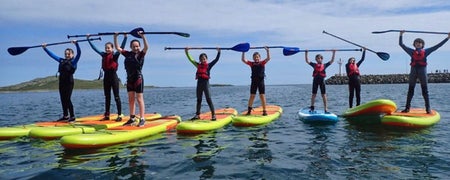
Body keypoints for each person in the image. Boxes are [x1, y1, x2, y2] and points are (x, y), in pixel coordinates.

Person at [399, 30, 450, 114]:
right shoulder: (411, 51)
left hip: (422, 71)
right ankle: (407, 108)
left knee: (425, 91)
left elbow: (438, 46)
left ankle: (428, 109)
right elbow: (401, 45)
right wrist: (401, 35)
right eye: (416, 43)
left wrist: (447, 38)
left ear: (422, 45)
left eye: (420, 43)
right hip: (413, 71)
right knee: (410, 90)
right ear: (414, 44)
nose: (418, 44)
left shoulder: (426, 51)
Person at [87, 34, 127, 121]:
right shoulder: (103, 55)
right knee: (107, 97)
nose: (107, 49)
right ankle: (107, 115)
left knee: (116, 96)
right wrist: (88, 40)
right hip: (106, 78)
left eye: (109, 48)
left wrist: (125, 37)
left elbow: (122, 47)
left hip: (113, 77)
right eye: (106, 48)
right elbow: (94, 49)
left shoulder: (115, 55)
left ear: (112, 49)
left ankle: (119, 115)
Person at [114, 31, 148, 127]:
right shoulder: (127, 54)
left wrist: (143, 36)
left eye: (137, 46)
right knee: (131, 99)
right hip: (129, 79)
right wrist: (115, 37)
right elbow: (117, 48)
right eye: (134, 46)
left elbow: (146, 47)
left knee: (139, 99)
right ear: (131, 47)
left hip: (138, 78)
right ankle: (132, 118)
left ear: (139, 47)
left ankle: (142, 118)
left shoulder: (141, 54)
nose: (136, 48)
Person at [42, 40, 80, 122]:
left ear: (72, 54)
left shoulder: (73, 62)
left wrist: (76, 44)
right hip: (61, 82)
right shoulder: (61, 60)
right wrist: (45, 49)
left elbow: (79, 53)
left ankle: (72, 116)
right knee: (62, 99)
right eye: (66, 54)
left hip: (69, 83)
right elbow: (52, 55)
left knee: (67, 99)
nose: (67, 55)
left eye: (68, 54)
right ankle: (65, 115)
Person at [184, 47, 221, 120]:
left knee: (208, 99)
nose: (202, 60)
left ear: (206, 59)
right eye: (201, 59)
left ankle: (213, 115)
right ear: (200, 60)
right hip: (199, 84)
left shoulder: (209, 65)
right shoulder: (198, 65)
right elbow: (191, 59)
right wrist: (187, 52)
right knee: (199, 100)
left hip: (206, 84)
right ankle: (197, 115)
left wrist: (219, 52)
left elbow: (216, 60)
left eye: (204, 59)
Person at [241, 46, 271, 116]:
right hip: (254, 82)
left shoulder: (262, 63)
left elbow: (268, 58)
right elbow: (243, 60)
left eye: (257, 57)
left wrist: (267, 51)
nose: (256, 58)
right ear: (253, 58)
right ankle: (249, 111)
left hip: (261, 82)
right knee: (252, 96)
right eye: (254, 57)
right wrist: (243, 51)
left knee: (262, 96)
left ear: (259, 58)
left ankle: (264, 111)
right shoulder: (251, 64)